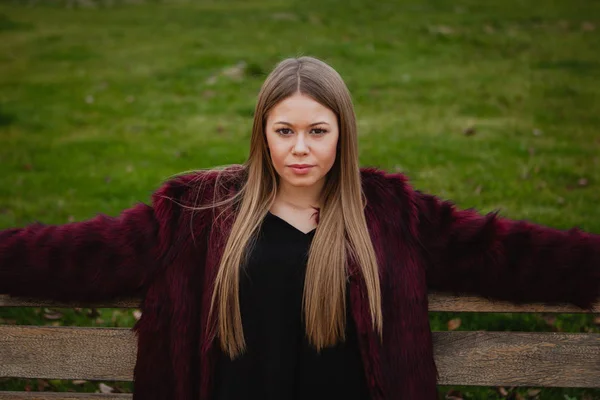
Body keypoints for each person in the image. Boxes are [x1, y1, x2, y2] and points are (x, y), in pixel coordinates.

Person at [0, 56, 599, 400]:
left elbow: (508, 252)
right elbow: (77, 255)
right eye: (285, 130)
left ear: (343, 134)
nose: (301, 148)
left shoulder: (390, 213)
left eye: (318, 131)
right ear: (262, 132)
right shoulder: (198, 211)